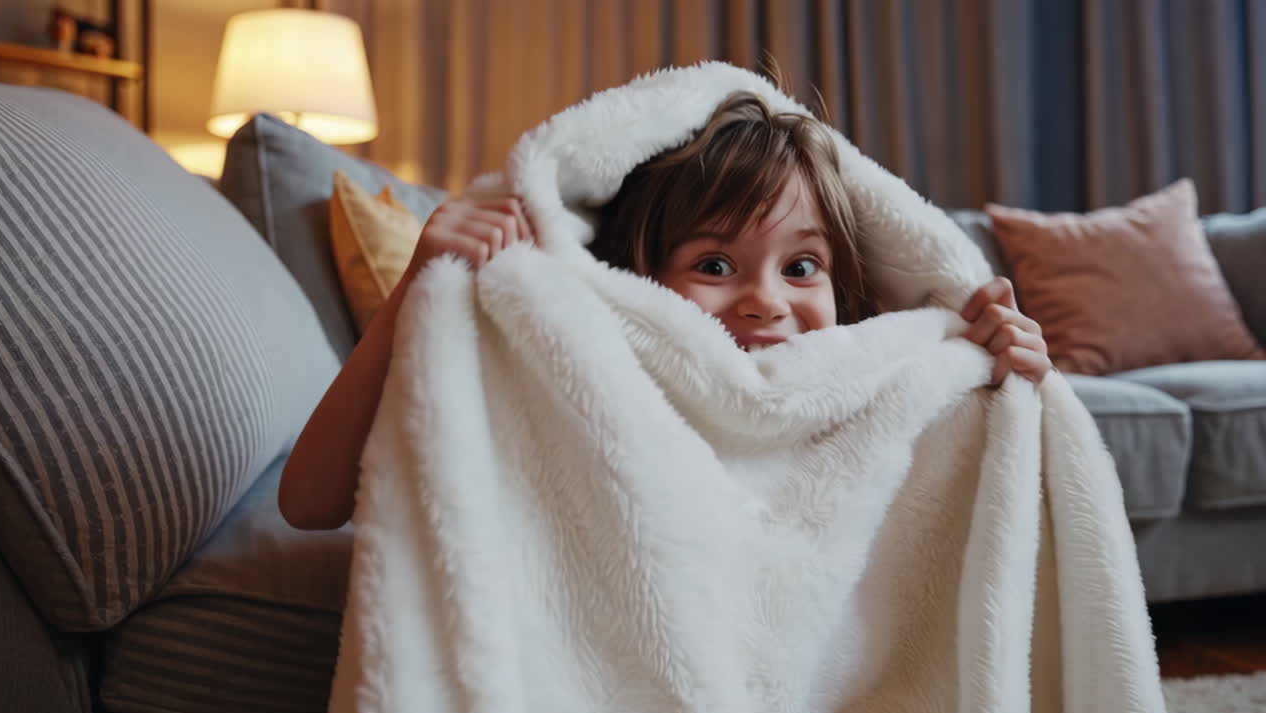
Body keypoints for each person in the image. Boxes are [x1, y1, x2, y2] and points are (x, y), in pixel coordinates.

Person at [279, 92, 1051, 531]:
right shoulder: (584, 381)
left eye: (802, 267)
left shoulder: (868, 384)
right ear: (636, 282)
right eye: (714, 265)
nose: (766, 299)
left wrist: (1000, 380)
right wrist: (419, 284)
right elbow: (309, 502)